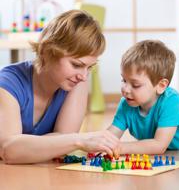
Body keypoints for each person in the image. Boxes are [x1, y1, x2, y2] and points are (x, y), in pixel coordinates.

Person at [0, 10, 119, 164]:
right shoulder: (8, 83)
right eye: (76, 65)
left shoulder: (77, 81)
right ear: (46, 52)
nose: (83, 76)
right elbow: (9, 151)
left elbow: (65, 137)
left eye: (89, 68)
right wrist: (80, 140)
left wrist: (28, 146)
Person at [108, 40, 179, 155]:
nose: (125, 89)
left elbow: (158, 146)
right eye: (124, 80)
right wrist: (101, 145)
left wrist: (119, 148)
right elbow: (110, 136)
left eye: (135, 85)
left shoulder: (172, 101)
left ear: (161, 86)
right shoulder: (126, 104)